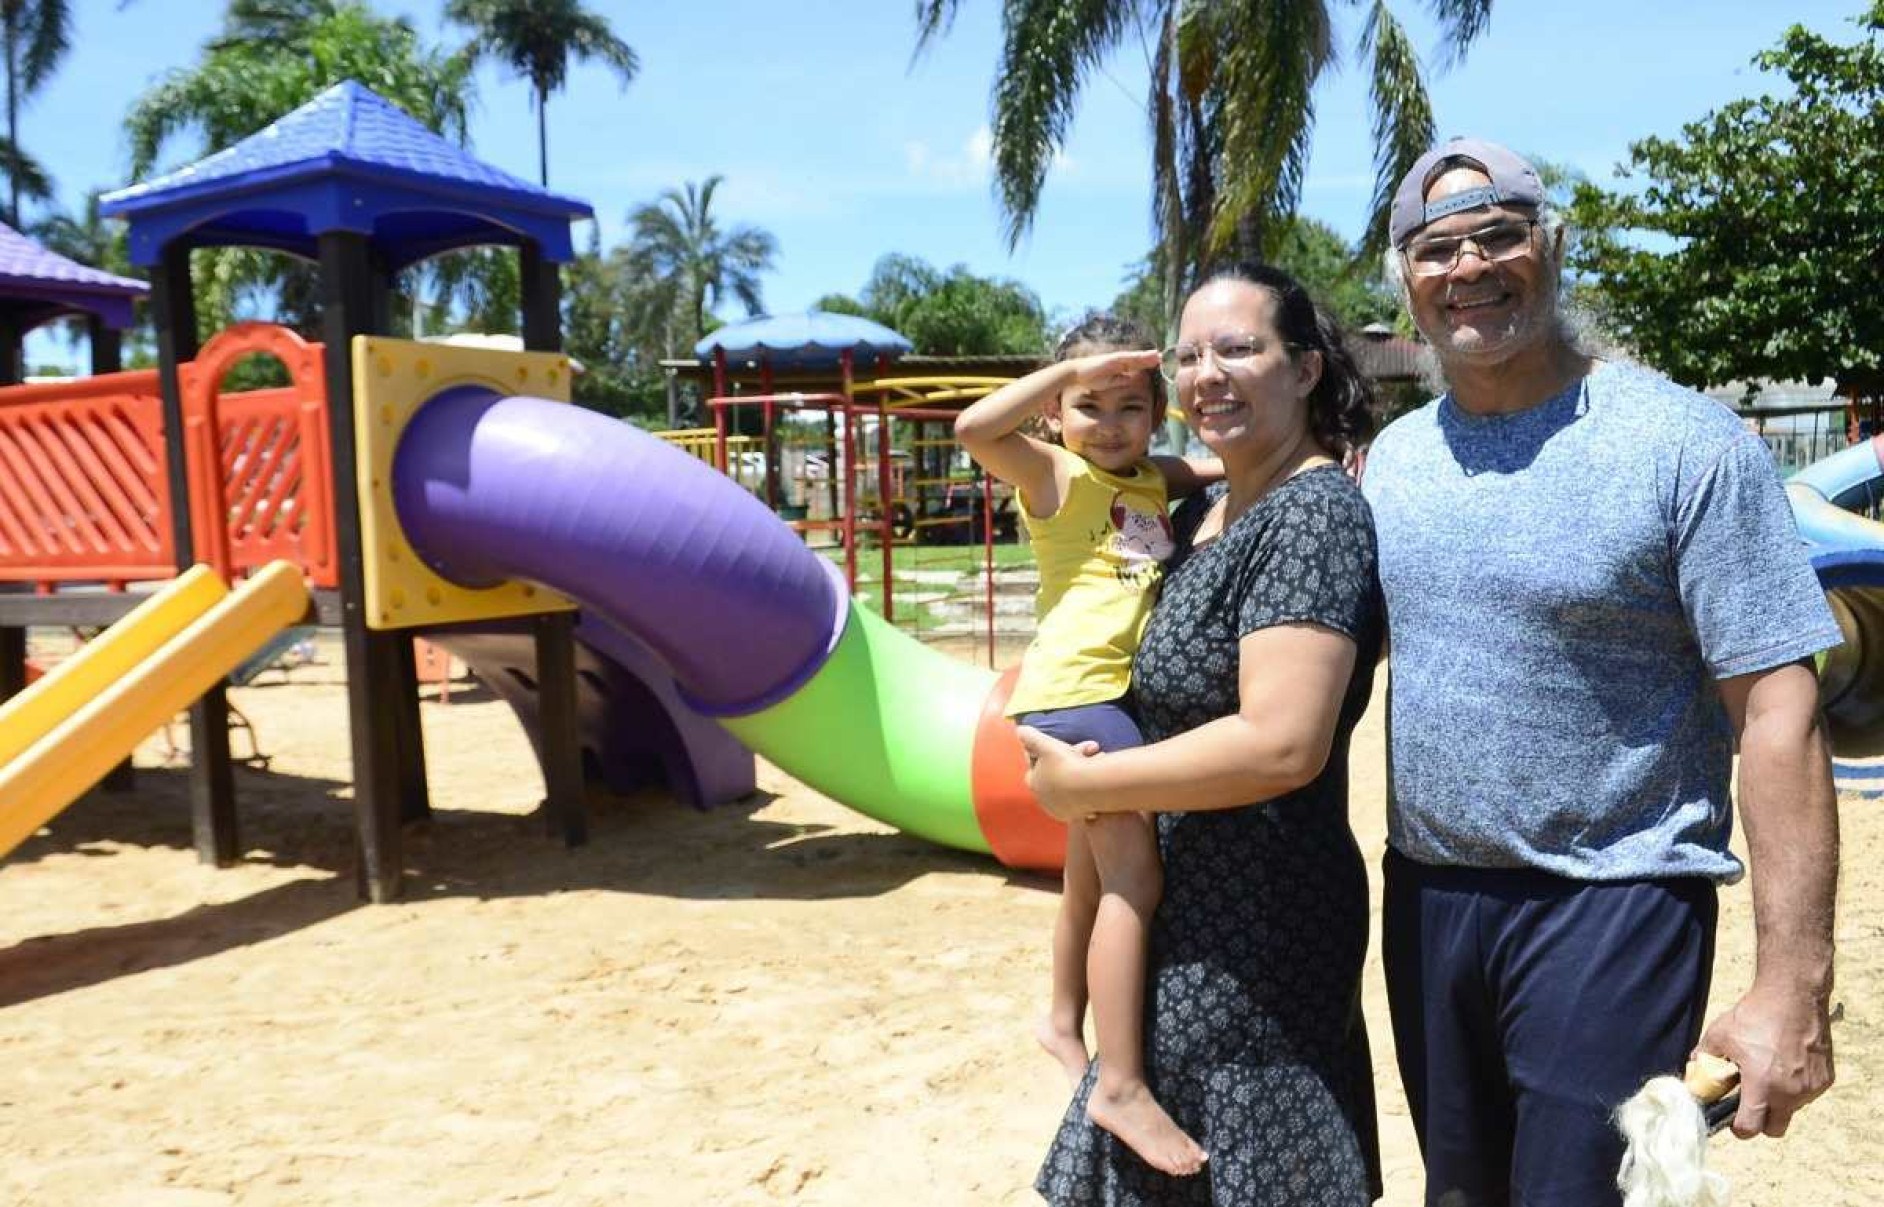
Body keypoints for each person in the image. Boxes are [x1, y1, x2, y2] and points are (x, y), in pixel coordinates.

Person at [1362, 136, 1841, 1207]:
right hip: (1432, 898)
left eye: (1500, 235)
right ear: (1408, 282)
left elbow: (1777, 708)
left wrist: (1792, 985)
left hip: (1615, 900)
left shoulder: (1686, 445)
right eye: (1439, 249)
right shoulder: (1396, 462)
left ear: (1553, 246)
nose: (1470, 267)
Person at [1019, 265, 1385, 1205]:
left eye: (1238, 348)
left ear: (1305, 369)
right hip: (1175, 924)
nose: (1208, 373)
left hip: (1255, 934)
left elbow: (1280, 745)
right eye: (1188, 355)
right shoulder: (1193, 513)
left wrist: (1091, 786)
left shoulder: (1314, 517)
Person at [954, 314, 1218, 1176]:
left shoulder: (1149, 480)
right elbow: (971, 429)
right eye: (1088, 404)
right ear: (1055, 416)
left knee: (1086, 878)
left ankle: (1062, 1021)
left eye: (1129, 405)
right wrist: (1072, 370)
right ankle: (1123, 1083)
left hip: (1100, 698)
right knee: (1136, 881)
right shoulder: (1054, 475)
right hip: (1079, 698)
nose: (1108, 422)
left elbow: (1220, 463)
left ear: (1156, 414)